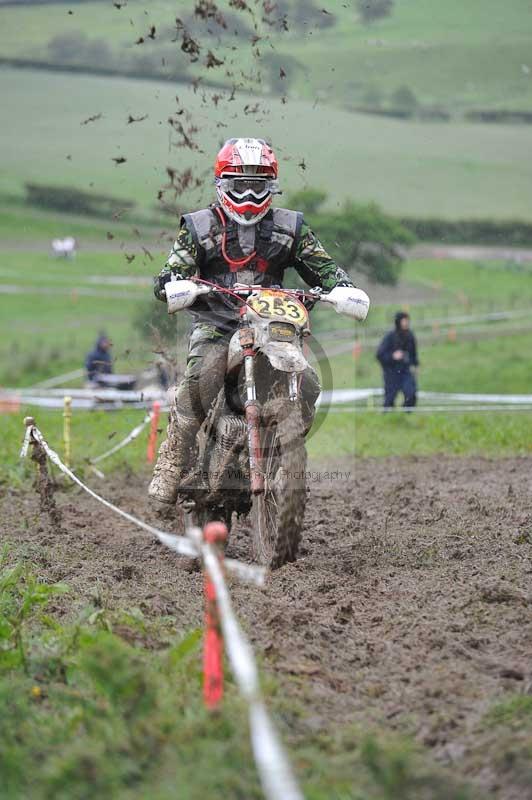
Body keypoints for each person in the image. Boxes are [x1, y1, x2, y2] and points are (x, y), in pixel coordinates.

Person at [149, 136, 359, 508]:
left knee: (307, 381)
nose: (248, 193)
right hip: (218, 323)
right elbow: (171, 272)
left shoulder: (291, 227)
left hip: (272, 325)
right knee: (202, 378)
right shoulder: (198, 226)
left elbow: (322, 268)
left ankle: (280, 452)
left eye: (257, 185)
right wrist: (174, 285)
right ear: (222, 184)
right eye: (240, 184)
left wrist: (340, 287)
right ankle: (171, 463)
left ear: (271, 186)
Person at [376, 311, 419, 409]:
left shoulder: (410, 336)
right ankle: (389, 418)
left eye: (407, 321)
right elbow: (379, 354)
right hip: (391, 372)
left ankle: (406, 415)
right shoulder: (390, 337)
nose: (406, 323)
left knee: (411, 393)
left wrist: (415, 365)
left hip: (405, 371)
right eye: (404, 321)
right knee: (389, 399)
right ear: (398, 322)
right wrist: (392, 356)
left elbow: (413, 353)